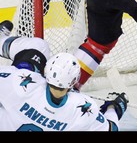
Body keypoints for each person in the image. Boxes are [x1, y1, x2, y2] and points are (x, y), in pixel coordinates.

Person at [0, 20, 128, 131]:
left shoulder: (21, 83)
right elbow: (112, 129)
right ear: (73, 82)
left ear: (46, 72)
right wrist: (115, 108)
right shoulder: (81, 109)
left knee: (39, 47)